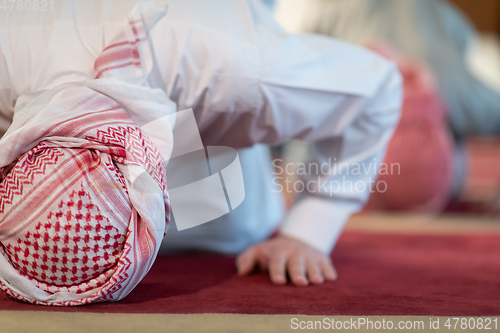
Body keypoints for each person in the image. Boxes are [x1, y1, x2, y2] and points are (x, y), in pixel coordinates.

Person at [0, 0, 402, 305]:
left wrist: (309, 231)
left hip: (212, 49)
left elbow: (379, 89)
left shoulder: (239, 73)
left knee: (235, 228)